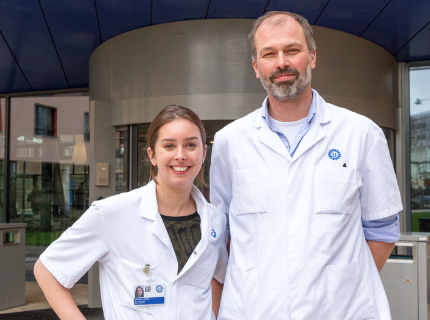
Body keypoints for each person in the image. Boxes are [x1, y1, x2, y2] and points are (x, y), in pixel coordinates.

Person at [210, 11, 402, 320]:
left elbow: (382, 229)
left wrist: (342, 287)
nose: (281, 62)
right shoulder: (229, 142)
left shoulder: (362, 134)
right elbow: (224, 234)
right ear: (257, 67)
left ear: (312, 57)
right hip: (254, 311)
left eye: (292, 50)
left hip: (341, 312)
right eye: (269, 54)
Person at [34, 105, 228, 319]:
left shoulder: (216, 221)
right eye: (169, 146)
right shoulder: (110, 214)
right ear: (152, 155)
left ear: (203, 153)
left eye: (191, 145)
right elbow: (48, 270)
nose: (180, 155)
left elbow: (217, 279)